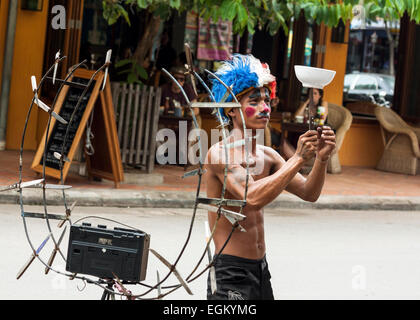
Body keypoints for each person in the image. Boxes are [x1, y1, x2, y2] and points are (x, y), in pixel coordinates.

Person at [204, 54, 336, 300]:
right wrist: (297, 159)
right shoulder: (219, 153)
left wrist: (322, 159)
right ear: (231, 109)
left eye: (267, 100)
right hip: (230, 272)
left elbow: (309, 193)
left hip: (261, 269)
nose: (265, 108)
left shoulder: (269, 156)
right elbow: (251, 197)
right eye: (254, 101)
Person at [281, 88, 329, 160]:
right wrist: (306, 103)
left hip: (316, 132)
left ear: (320, 96)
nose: (312, 96)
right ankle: (295, 159)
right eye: (310, 94)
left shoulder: (323, 104)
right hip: (303, 130)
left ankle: (296, 160)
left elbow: (322, 119)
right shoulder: (305, 104)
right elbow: (296, 116)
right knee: (291, 134)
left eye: (315, 93)